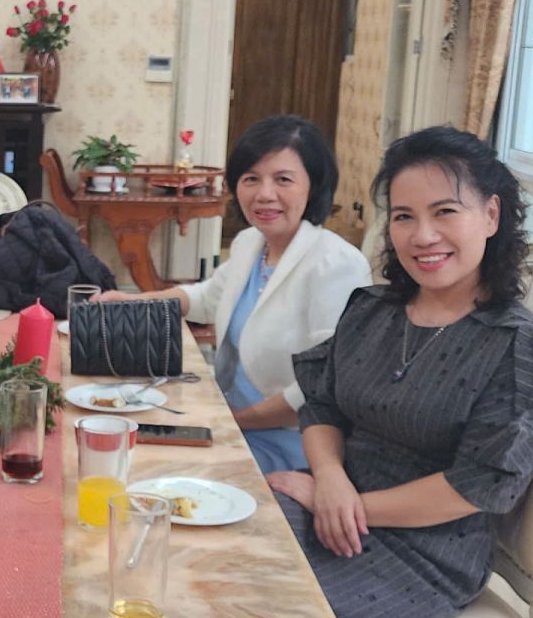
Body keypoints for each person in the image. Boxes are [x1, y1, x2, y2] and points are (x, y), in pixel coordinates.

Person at [266, 125, 533, 618]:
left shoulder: (516, 348)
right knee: (207, 543)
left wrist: (343, 505)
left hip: (425, 557)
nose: (422, 236)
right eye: (404, 217)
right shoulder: (372, 310)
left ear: (491, 215)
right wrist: (331, 481)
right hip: (336, 508)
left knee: (242, 585)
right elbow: (321, 404)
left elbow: (476, 485)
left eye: (445, 212)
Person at [96, 116, 368, 473]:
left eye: (283, 180)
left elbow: (320, 387)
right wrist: (133, 301)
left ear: (313, 186)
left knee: (149, 470)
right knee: (118, 443)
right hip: (231, 421)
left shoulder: (336, 264)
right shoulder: (250, 243)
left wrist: (229, 421)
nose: (264, 194)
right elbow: (206, 298)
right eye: (251, 178)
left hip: (290, 445)